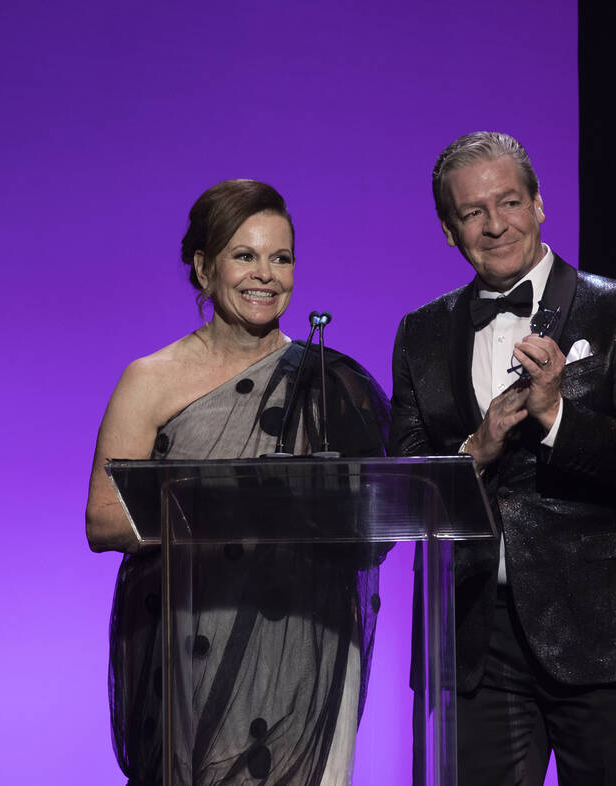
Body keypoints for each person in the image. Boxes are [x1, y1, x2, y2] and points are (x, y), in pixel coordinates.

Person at [390, 132, 616, 785]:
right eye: (473, 213)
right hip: (475, 636)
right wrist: (475, 453)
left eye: (509, 202)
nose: (495, 224)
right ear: (449, 230)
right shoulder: (421, 331)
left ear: (539, 205)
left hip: (606, 630)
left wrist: (558, 418)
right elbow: (405, 484)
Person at [85, 179, 389, 785]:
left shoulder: (332, 382)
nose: (266, 275)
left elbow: (374, 531)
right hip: (193, 643)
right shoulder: (150, 379)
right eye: (244, 256)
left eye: (281, 257)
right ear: (203, 268)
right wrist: (246, 502)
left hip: (303, 648)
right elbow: (104, 520)